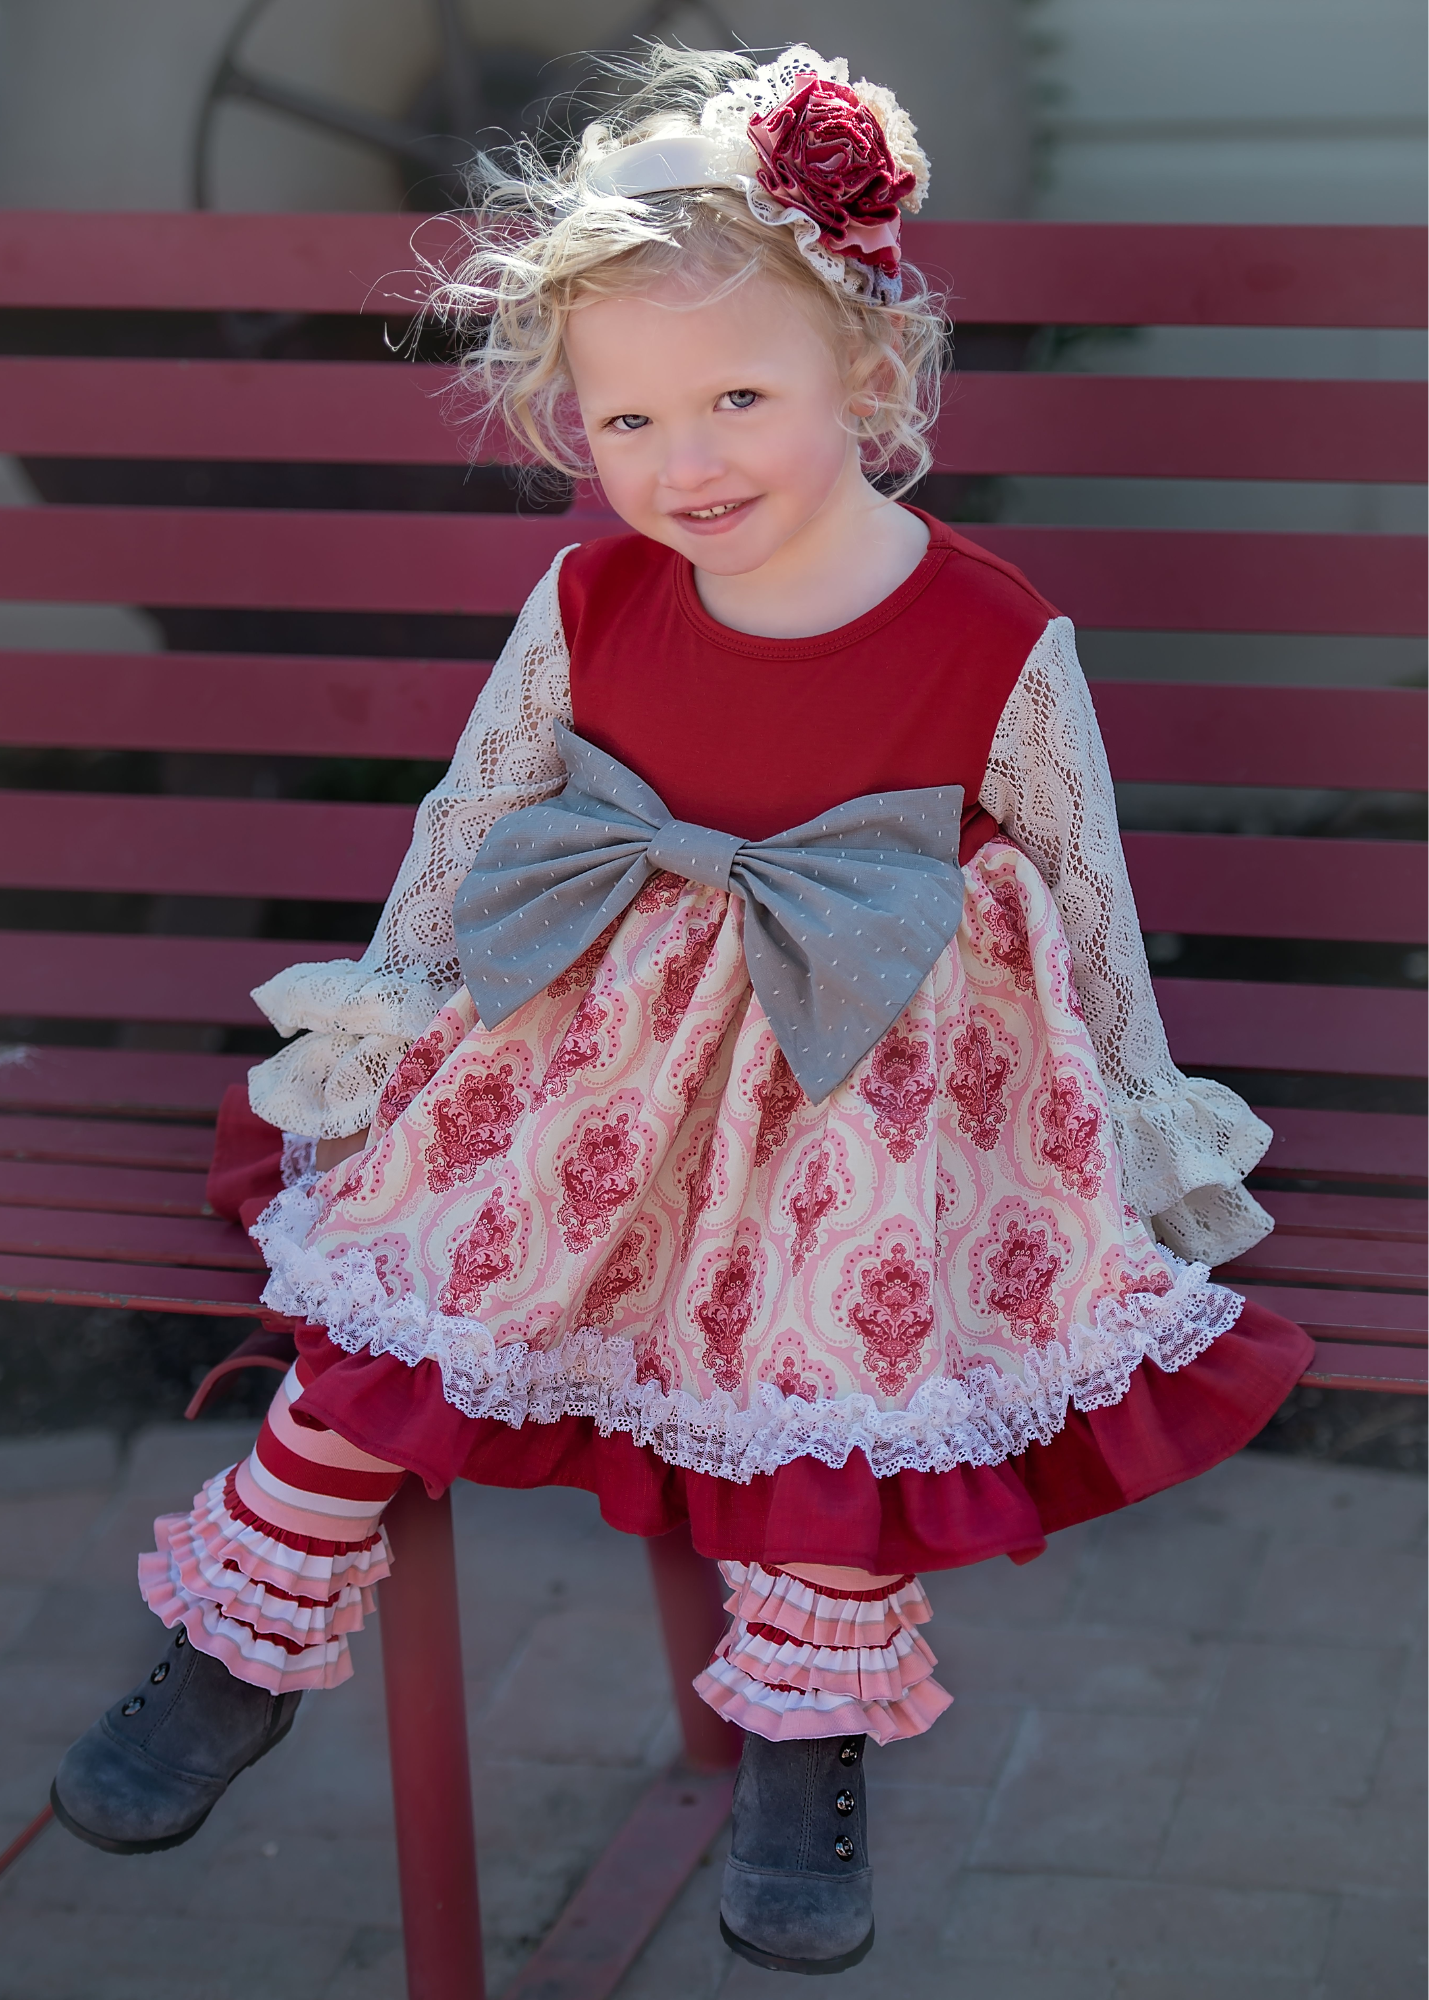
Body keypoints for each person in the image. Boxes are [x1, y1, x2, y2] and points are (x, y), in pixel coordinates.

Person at [51, 43, 1311, 1975]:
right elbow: (475, 820)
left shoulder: (990, 634)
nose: (686, 462)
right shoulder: (589, 603)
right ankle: (249, 1630)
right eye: (629, 417)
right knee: (429, 1261)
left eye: (738, 398)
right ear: (572, 421)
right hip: (602, 1066)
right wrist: (383, 1040)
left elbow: (1083, 891)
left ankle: (804, 1731)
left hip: (870, 1075)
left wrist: (1139, 1139)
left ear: (867, 381)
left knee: (843, 1341)